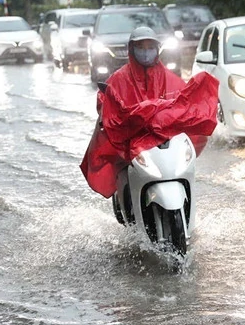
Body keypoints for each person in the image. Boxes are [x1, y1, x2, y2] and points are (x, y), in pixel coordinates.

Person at [80, 26, 219, 198]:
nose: (146, 53)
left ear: (157, 50)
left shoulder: (170, 79)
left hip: (164, 144)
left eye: (150, 48)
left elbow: (185, 102)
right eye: (141, 48)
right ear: (132, 49)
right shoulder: (119, 79)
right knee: (123, 170)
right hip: (133, 144)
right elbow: (105, 101)